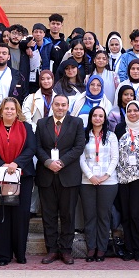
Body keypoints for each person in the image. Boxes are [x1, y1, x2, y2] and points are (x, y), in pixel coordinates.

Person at [0, 97, 35, 266]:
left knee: (20, 216)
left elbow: (31, 148)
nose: (9, 111)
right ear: (1, 111)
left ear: (17, 111)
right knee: (2, 217)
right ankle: (3, 256)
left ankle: (20, 254)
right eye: (6, 109)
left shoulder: (26, 127)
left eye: (12, 109)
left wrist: (16, 163)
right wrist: (2, 166)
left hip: (22, 177)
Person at [35, 94, 86, 264]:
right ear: (52, 106)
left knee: (68, 215)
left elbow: (79, 147)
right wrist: (48, 162)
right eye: (57, 104)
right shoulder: (42, 124)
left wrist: (62, 162)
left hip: (68, 175)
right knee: (48, 216)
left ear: (68, 106)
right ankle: (51, 250)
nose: (60, 108)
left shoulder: (77, 123)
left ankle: (66, 250)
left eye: (63, 105)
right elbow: (37, 147)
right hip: (46, 175)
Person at [115, 100, 139, 262]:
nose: (132, 113)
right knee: (125, 214)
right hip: (122, 179)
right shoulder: (119, 128)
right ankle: (129, 249)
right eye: (129, 110)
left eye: (135, 110)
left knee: (135, 214)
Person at [78, 105, 119, 262]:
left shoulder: (111, 136)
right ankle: (91, 248)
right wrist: (90, 175)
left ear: (105, 118)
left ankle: (101, 249)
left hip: (108, 182)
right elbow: (81, 158)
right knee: (89, 216)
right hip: (87, 181)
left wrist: (105, 176)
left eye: (101, 116)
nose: (97, 118)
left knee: (103, 216)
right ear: (91, 118)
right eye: (95, 115)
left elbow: (115, 158)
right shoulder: (84, 135)